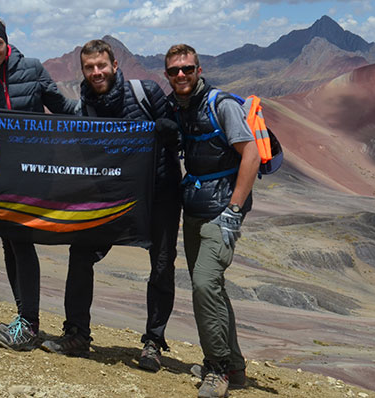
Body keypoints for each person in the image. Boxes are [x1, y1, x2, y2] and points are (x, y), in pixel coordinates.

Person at [39, 40, 182, 371]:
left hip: (159, 194)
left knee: (161, 265)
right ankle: (76, 334)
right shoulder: (85, 106)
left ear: (115, 65)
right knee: (81, 252)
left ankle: (152, 343)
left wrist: (169, 133)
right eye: (89, 67)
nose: (96, 72)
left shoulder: (147, 93)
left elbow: (178, 134)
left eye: (101, 65)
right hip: (113, 196)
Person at [0, 14, 79, 351]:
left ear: (6, 41)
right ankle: (24, 318)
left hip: (36, 170)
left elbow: (60, 106)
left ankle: (28, 324)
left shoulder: (31, 68)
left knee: (20, 239)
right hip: (1, 174)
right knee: (10, 243)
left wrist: (104, 115)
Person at [164, 44, 258, 398]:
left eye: (187, 69)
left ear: (199, 69)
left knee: (204, 283)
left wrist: (234, 212)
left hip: (222, 211)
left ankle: (216, 369)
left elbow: (250, 153)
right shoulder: (179, 107)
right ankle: (234, 367)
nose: (181, 75)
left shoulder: (223, 106)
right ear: (168, 75)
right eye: (174, 71)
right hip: (195, 208)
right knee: (210, 290)